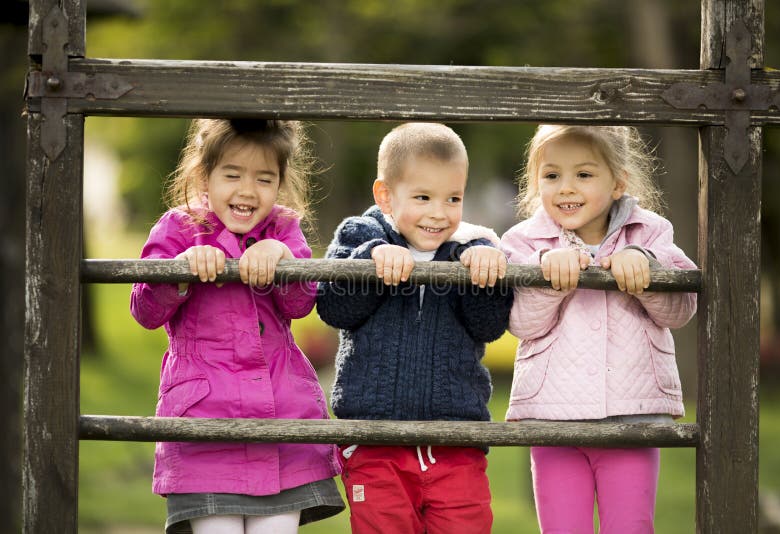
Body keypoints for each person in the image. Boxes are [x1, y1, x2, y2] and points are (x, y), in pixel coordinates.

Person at [130, 118, 344, 534]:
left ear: (280, 183)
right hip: (205, 424)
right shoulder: (179, 228)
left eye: (264, 179)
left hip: (281, 423)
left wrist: (283, 257)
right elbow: (145, 311)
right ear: (204, 177)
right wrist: (179, 272)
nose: (248, 191)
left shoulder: (282, 228)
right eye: (232, 175)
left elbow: (301, 304)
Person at [316, 122, 514, 534]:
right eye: (423, 197)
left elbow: (489, 326)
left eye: (453, 198)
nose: (439, 212)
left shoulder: (470, 249)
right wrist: (371, 260)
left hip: (454, 439)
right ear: (385, 196)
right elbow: (334, 309)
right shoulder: (359, 236)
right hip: (376, 440)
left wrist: (484, 276)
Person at [500, 124, 698, 533]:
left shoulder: (651, 232)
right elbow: (519, 322)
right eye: (551, 175)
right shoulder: (524, 242)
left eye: (584, 174)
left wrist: (644, 268)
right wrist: (548, 279)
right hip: (553, 421)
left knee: (630, 527)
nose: (566, 188)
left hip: (631, 418)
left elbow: (679, 311)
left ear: (618, 182)